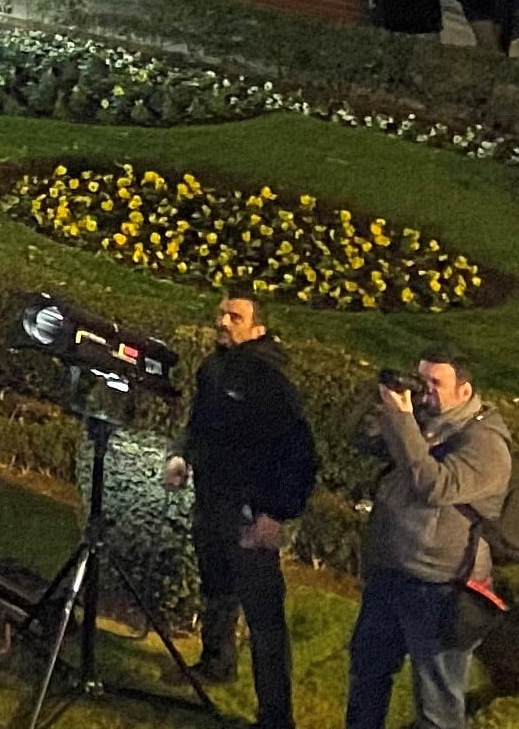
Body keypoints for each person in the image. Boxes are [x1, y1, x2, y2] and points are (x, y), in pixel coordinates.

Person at [346, 354, 512, 729]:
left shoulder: (486, 444)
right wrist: (379, 396)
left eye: (435, 383)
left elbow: (432, 485)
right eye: (422, 380)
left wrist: (402, 420)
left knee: (437, 707)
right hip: (392, 573)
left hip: (440, 589)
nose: (424, 392)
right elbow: (359, 437)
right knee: (367, 674)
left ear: (464, 390)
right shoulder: (423, 419)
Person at [171, 295, 313, 729]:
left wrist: (274, 514)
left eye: (236, 317)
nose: (223, 322)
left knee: (263, 615)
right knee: (217, 586)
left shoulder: (271, 379)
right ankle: (216, 661)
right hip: (212, 501)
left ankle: (275, 715)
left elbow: (299, 453)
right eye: (221, 314)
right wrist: (182, 456)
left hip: (250, 511)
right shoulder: (214, 367)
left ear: (258, 328)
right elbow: (199, 423)